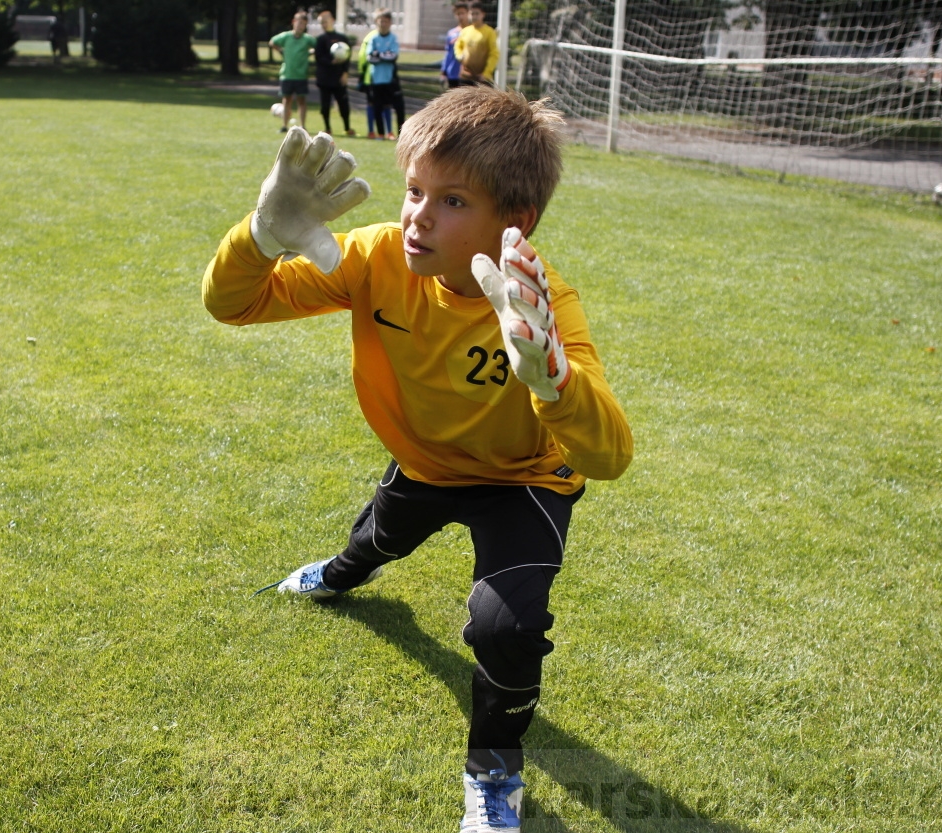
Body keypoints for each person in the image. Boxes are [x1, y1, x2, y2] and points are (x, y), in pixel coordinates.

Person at [203, 86, 633, 833]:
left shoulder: (543, 306)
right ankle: (342, 573)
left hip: (520, 482)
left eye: (453, 200)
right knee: (374, 543)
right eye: (413, 190)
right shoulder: (375, 257)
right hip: (426, 466)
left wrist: (554, 381)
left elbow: (610, 454)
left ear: (515, 222)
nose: (418, 215)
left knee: (506, 627)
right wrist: (261, 234)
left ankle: (493, 771)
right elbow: (234, 304)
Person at [270, 11, 314, 132]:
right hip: (287, 74)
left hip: (301, 75)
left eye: (304, 24)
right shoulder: (286, 36)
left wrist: (310, 52)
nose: (301, 26)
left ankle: (303, 126)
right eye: (299, 23)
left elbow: (318, 47)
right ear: (294, 22)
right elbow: (272, 42)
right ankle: (284, 126)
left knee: (301, 101)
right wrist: (281, 51)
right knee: (286, 100)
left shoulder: (307, 39)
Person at [313, 9, 354, 136]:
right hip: (324, 78)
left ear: (332, 20)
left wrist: (345, 73)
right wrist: (331, 62)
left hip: (338, 78)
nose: (324, 25)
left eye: (325, 21)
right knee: (325, 106)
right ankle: (327, 128)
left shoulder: (342, 39)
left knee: (343, 104)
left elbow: (347, 57)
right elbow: (319, 57)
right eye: (321, 23)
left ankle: (347, 128)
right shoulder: (320, 39)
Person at [366, 8, 400, 140]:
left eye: (386, 21)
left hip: (389, 78)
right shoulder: (373, 38)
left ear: (390, 22)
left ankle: (390, 132)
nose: (383, 24)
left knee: (388, 106)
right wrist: (384, 54)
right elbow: (370, 58)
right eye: (380, 21)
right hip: (376, 79)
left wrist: (378, 54)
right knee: (377, 107)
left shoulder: (393, 38)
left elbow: (393, 56)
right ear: (376, 22)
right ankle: (380, 133)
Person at [454, 1, 499, 86]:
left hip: (482, 78)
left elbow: (494, 54)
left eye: (477, 14)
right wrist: (459, 55)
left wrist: (486, 72)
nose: (474, 17)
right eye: (472, 14)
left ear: (483, 14)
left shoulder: (489, 32)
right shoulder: (465, 31)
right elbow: (458, 46)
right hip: (466, 76)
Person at [440, 1, 472, 89]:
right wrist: (444, 71)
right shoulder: (451, 33)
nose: (460, 16)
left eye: (462, 13)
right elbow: (448, 54)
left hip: (468, 74)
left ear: (468, 13)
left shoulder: (473, 32)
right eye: (458, 14)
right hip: (453, 73)